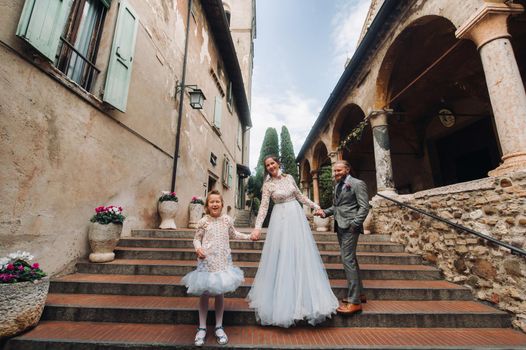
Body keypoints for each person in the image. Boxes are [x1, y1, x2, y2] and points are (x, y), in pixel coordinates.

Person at [248, 155, 338, 327]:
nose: (270, 166)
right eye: (267, 165)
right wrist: (258, 227)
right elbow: (264, 207)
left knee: (300, 254)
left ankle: (303, 299)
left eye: (272, 163)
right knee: (282, 256)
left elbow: (300, 196)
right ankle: (283, 300)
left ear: (278, 163)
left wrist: (316, 206)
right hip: (280, 222)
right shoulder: (268, 185)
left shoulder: (289, 178)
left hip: (296, 219)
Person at [182, 190, 255, 346]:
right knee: (205, 293)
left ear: (222, 204)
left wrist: (249, 236)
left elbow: (234, 234)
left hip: (222, 261)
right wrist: (198, 249)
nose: (215, 204)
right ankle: (201, 328)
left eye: (217, 201)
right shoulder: (203, 221)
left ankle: (219, 326)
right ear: (207, 205)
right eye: (211, 202)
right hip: (206, 261)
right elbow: (196, 239)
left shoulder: (227, 220)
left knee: (219, 293)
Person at [314, 160, 369, 315]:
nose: (336, 173)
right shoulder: (338, 185)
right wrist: (324, 212)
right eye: (335, 171)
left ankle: (354, 302)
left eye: (339, 170)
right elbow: (338, 207)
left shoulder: (357, 184)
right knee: (351, 259)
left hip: (350, 227)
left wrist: (354, 223)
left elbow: (364, 206)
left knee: (347, 259)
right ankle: (359, 294)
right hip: (340, 226)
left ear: (347, 169)